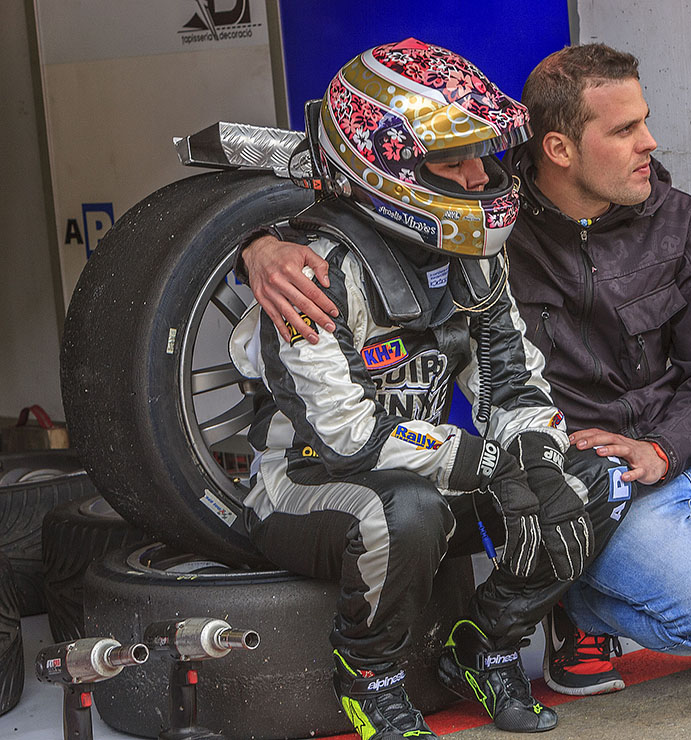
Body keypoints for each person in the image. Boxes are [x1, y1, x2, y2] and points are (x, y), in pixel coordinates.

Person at [242, 42, 691, 699]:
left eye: (644, 121)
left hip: (683, 452)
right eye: (625, 129)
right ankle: (609, 606)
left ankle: (649, 585)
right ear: (560, 149)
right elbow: (336, 190)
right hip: (590, 475)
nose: (651, 142)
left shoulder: (675, 218)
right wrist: (259, 242)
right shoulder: (489, 237)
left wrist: (664, 448)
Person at [229, 39, 629, 740]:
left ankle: (487, 645)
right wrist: (489, 465)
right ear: (381, 168)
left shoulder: (474, 260)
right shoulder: (310, 273)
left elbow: (513, 380)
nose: (479, 177)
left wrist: (532, 456)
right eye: (454, 159)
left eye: (482, 154)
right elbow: (345, 437)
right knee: (404, 512)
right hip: (302, 484)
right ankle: (369, 680)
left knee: (587, 479)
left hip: (419, 463)